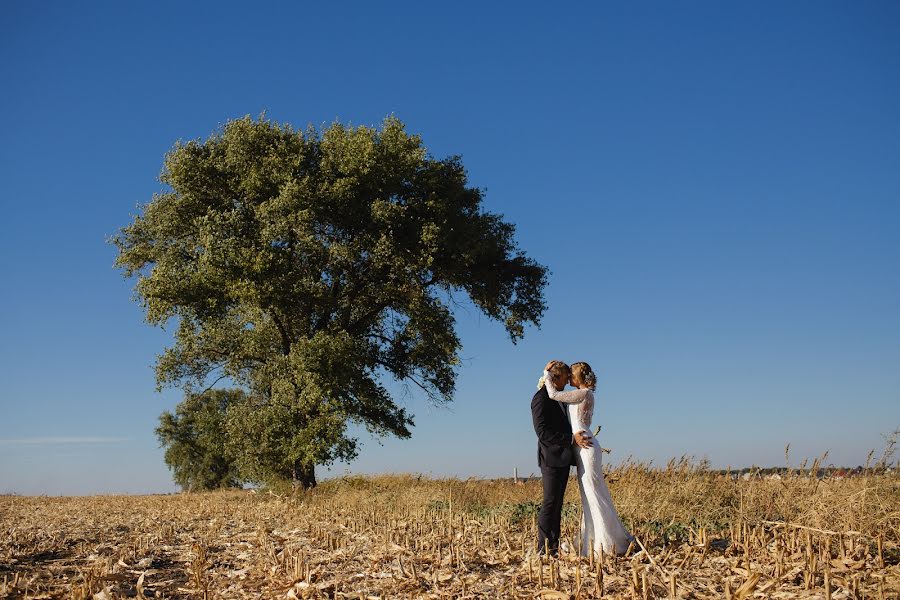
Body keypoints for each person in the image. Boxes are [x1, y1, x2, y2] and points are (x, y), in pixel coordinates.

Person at [543, 361, 634, 556]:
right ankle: (594, 540)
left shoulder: (583, 393)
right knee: (589, 495)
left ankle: (606, 543)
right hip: (583, 443)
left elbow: (553, 395)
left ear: (579, 378)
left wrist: (546, 374)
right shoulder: (586, 394)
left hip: (585, 446)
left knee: (593, 494)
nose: (569, 379)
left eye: (571, 376)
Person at [531, 360, 592, 556]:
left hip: (563, 458)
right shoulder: (540, 399)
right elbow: (542, 432)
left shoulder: (559, 395)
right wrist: (570, 440)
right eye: (565, 378)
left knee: (558, 503)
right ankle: (543, 549)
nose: (567, 382)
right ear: (555, 378)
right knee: (549, 503)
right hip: (551, 458)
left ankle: (553, 547)